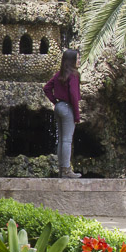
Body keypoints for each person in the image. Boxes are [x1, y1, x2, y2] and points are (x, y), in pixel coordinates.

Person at [44, 48, 82, 178]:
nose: (79, 61)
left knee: (61, 140)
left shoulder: (59, 74)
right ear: (71, 61)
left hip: (59, 106)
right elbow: (73, 95)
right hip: (67, 108)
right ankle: (66, 170)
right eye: (77, 58)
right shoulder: (73, 75)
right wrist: (77, 115)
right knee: (67, 140)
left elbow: (47, 88)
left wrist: (55, 102)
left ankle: (62, 169)